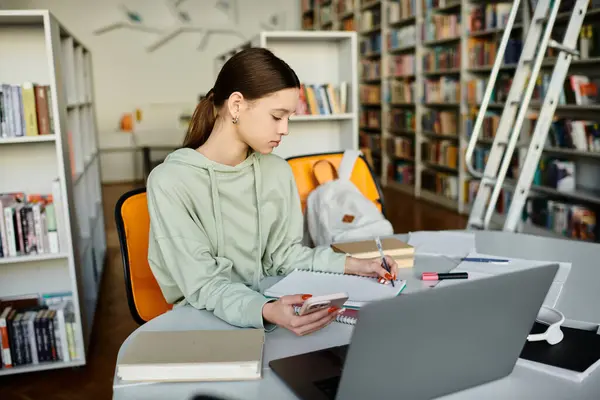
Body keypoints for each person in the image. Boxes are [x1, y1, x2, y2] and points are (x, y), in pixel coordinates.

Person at [146, 47, 398, 336]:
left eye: (289, 117)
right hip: (204, 322)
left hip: (273, 309)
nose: (286, 129)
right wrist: (265, 310)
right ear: (237, 105)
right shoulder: (170, 181)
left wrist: (356, 265)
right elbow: (203, 285)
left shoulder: (277, 171)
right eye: (277, 116)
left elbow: (285, 255)